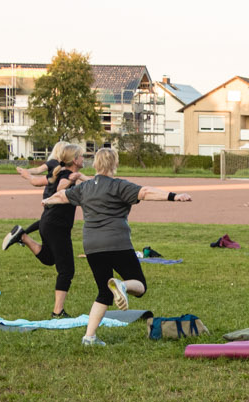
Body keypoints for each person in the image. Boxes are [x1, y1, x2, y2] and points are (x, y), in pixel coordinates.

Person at [58, 146, 197, 345]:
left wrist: (47, 200)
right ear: (115, 163)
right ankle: (122, 285)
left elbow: (61, 196)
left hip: (92, 246)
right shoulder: (119, 185)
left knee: (104, 292)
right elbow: (145, 192)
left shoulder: (84, 187)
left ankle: (89, 337)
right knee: (140, 286)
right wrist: (174, 196)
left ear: (95, 164)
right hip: (117, 243)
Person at [2, 142, 84, 315]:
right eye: (82, 156)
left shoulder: (60, 171)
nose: (84, 158)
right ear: (75, 160)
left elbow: (37, 180)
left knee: (48, 258)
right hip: (57, 227)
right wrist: (73, 179)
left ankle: (23, 237)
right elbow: (61, 187)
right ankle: (58, 312)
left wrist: (27, 175)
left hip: (47, 222)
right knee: (66, 270)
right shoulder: (67, 175)